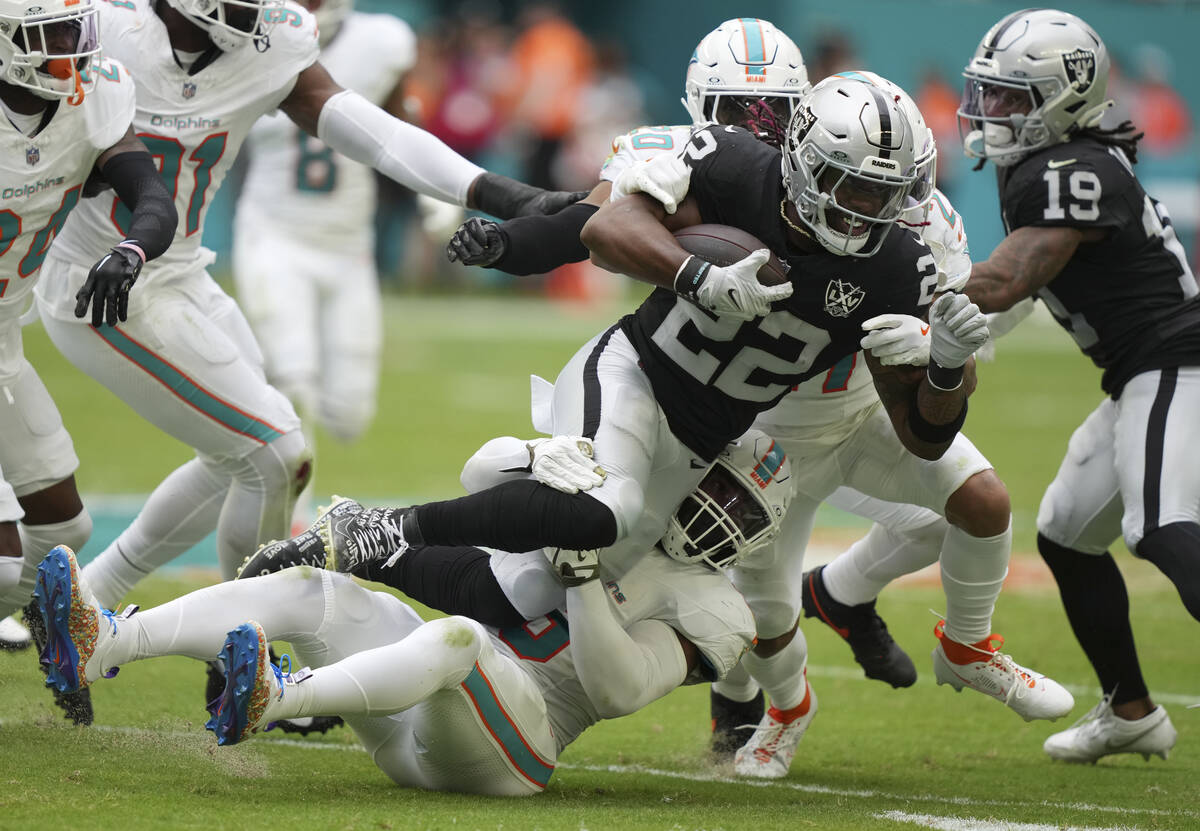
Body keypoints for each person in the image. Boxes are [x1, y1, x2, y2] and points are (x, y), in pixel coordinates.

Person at [449, 39, 1070, 776]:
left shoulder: (912, 243)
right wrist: (667, 270)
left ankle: (944, 635)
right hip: (767, 432)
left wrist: (947, 358)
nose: (867, 207)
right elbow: (601, 221)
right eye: (746, 113)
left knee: (978, 501)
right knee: (745, 607)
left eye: (884, 192)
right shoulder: (729, 170)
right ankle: (780, 705)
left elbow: (932, 419)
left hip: (865, 408)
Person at [31, 0, 583, 626]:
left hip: (180, 271)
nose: (266, 7)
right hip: (102, 282)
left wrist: (506, 193)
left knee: (237, 455)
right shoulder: (106, 33)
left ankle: (84, 599)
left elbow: (374, 132)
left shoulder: (273, 43)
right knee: (274, 452)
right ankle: (243, 638)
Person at [34, 430, 788, 795]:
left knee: (456, 638)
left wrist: (583, 574)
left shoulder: (721, 608)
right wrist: (539, 453)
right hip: (414, 700)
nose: (720, 514)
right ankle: (105, 639)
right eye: (716, 490)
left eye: (741, 508)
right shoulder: (621, 501)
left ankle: (275, 697)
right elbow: (480, 474)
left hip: (511, 746)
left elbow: (619, 687)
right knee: (312, 588)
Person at [957, 8, 1195, 763]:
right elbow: (1025, 287)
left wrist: (900, 284)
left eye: (1010, 97)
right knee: (1065, 531)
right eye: (988, 94)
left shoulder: (1074, 169)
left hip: (1179, 363)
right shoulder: (1051, 161)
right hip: (1139, 373)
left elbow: (1008, 278)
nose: (991, 111)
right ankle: (1130, 710)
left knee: (1161, 526)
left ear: (1062, 97)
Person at [0, 0, 177, 723]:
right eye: (52, 38)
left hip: (4, 338)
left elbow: (151, 192)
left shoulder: (92, 97)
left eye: (76, 34)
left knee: (63, 529)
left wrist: (133, 247)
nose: (72, 52)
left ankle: (42, 618)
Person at [231, 0, 417, 456]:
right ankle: (289, 512)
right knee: (293, 380)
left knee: (349, 415)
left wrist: (428, 193)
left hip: (348, 246)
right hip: (274, 234)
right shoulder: (247, 43)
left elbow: (401, 126)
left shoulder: (382, 43)